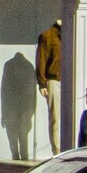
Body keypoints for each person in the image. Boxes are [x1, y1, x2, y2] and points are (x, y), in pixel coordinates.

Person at [40, 21, 65, 154]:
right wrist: (42, 83)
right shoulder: (47, 36)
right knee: (56, 117)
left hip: (70, 78)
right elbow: (41, 59)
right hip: (54, 79)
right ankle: (57, 151)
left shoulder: (72, 32)